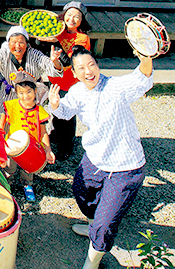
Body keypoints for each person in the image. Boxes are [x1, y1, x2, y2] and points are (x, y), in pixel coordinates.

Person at [49, 46, 153, 269]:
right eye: (81, 68)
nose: (88, 71)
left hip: (125, 166)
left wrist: (146, 59)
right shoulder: (77, 90)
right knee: (80, 191)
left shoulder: (115, 86)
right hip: (95, 160)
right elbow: (65, 111)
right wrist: (56, 104)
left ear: (97, 65)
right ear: (74, 73)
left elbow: (141, 78)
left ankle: (92, 261)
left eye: (91, 65)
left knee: (106, 224)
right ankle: (92, 226)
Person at [41, 1, 91, 161]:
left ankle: (66, 145)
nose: (72, 19)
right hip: (54, 79)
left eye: (77, 16)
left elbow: (69, 60)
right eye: (69, 15)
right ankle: (55, 132)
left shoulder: (82, 38)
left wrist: (55, 42)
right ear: (63, 16)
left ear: (82, 20)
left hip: (70, 83)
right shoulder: (57, 32)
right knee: (55, 107)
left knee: (68, 114)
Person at [0, 25, 63, 108]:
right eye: (13, 42)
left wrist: (55, 61)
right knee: (6, 120)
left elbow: (50, 67)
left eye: (21, 42)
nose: (17, 46)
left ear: (27, 44)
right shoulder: (4, 54)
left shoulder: (35, 55)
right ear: (8, 43)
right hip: (10, 93)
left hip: (31, 96)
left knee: (31, 122)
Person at [0, 71, 55, 202]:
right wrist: (0, 143)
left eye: (29, 92)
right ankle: (8, 185)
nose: (25, 96)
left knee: (28, 169)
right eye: (21, 93)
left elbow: (43, 132)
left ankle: (27, 185)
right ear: (16, 93)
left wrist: (48, 150)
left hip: (31, 148)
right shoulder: (11, 106)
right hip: (12, 146)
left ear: (35, 91)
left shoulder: (39, 110)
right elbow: (1, 126)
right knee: (9, 168)